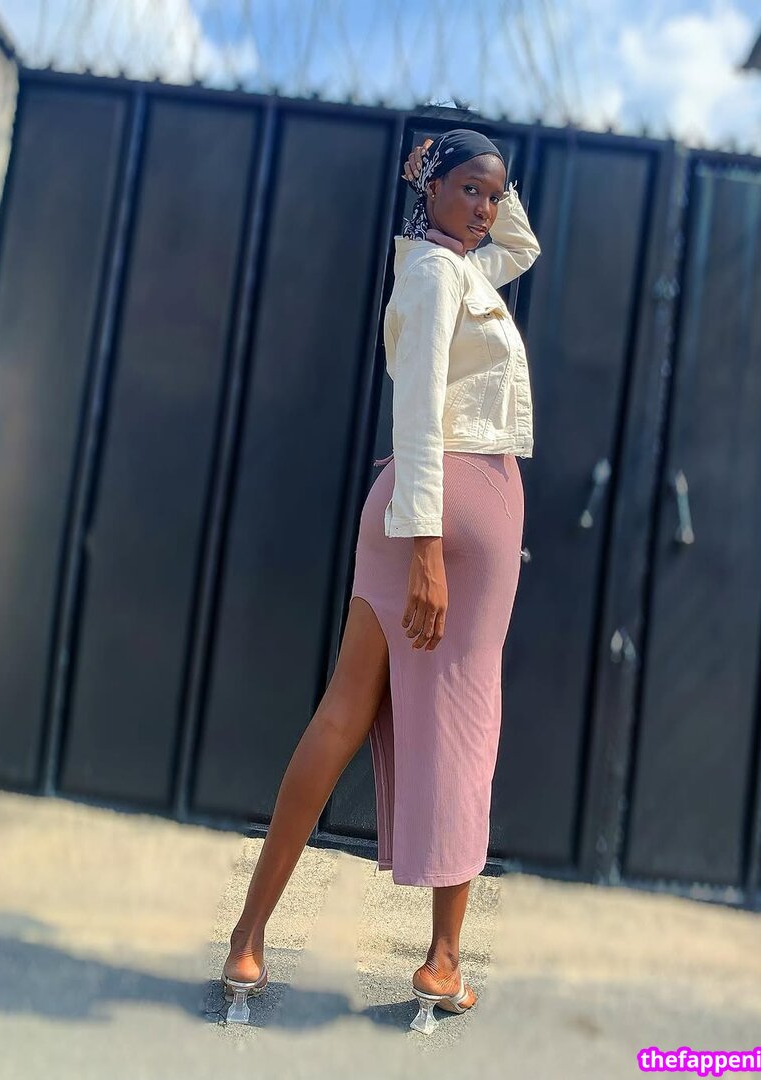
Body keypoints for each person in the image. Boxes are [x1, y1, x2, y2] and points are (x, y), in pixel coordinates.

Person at [220, 128, 541, 1033]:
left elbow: (520, 245)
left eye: (494, 193)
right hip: (442, 507)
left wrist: (476, 178)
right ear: (428, 189)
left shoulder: (465, 268)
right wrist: (427, 549)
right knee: (462, 726)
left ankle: (249, 939)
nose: (485, 208)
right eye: (468, 189)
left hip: (431, 504)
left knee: (347, 709)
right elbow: (417, 408)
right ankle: (440, 961)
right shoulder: (436, 274)